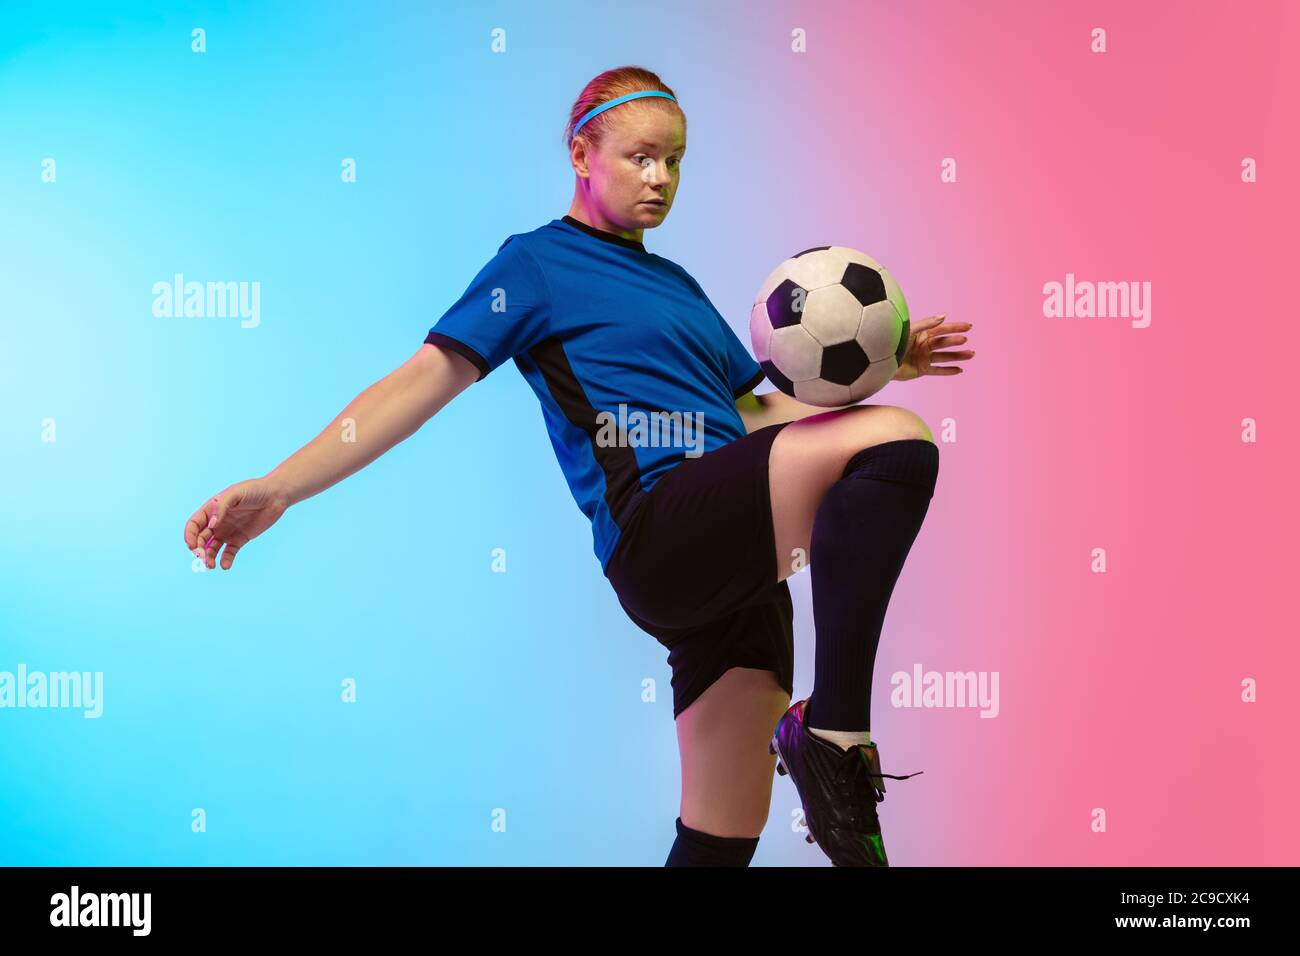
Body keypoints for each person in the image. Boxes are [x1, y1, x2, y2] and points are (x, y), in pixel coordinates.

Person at [181, 65, 976, 867]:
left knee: (720, 840)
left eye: (676, 161)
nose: (661, 179)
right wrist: (279, 486)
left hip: (741, 578)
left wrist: (879, 368)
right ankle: (835, 735)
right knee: (898, 442)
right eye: (640, 157)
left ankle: (823, 748)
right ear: (581, 153)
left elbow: (759, 417)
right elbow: (421, 381)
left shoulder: (678, 286)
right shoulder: (537, 265)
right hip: (665, 529)